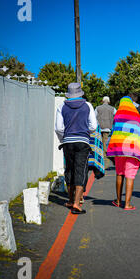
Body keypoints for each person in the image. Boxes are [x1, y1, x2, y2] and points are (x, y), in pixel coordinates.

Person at [55, 83, 97, 215]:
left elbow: (59, 128)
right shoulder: (88, 106)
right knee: (81, 170)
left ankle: (70, 200)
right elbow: (93, 126)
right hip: (83, 142)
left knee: (70, 169)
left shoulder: (61, 106)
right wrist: (85, 132)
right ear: (80, 93)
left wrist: (65, 139)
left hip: (67, 142)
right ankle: (76, 203)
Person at [106, 95, 140, 210]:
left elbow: (113, 131)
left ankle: (118, 201)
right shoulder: (136, 115)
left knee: (119, 173)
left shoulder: (118, 114)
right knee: (130, 176)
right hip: (132, 149)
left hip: (119, 148)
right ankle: (127, 204)